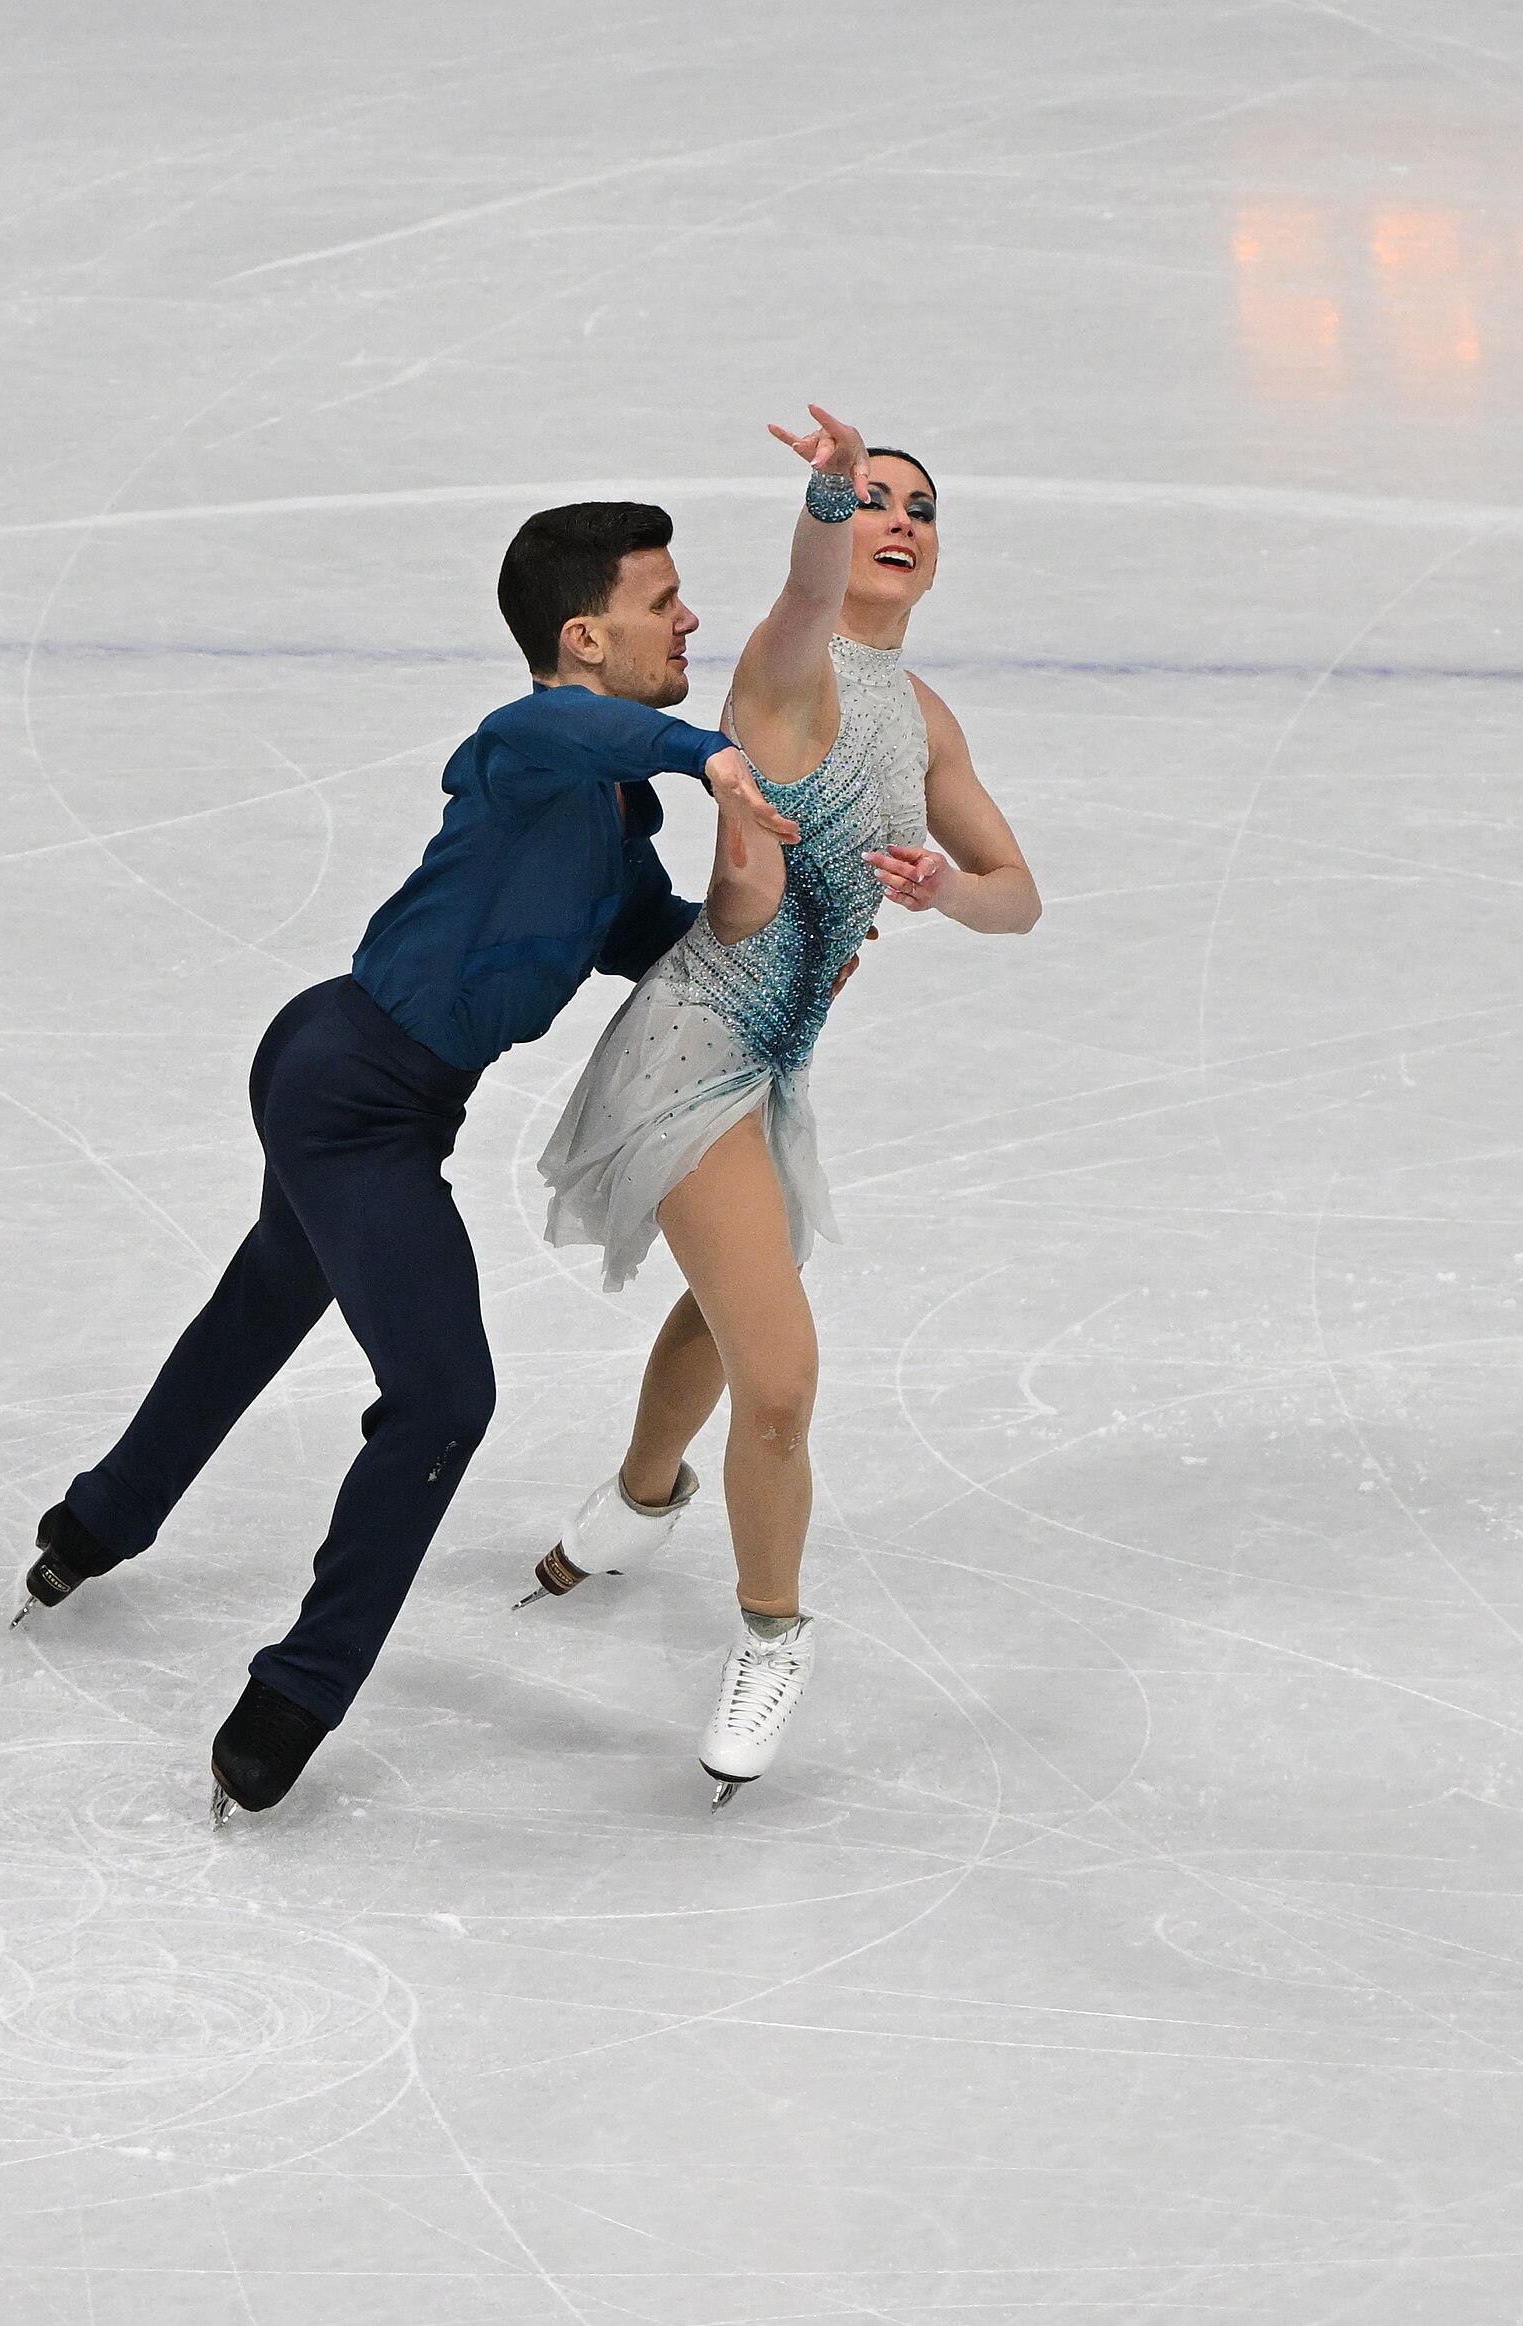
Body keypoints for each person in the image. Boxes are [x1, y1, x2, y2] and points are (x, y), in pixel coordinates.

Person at [15, 500, 800, 1826]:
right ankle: (294, 1698)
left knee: (269, 1295)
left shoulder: (609, 809)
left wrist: (786, 915)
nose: (691, 620)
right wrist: (713, 754)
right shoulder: (528, 743)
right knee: (442, 1398)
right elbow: (569, 730)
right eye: (664, 603)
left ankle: (92, 1524)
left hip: (366, 1085)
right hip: (349, 1096)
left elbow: (644, 931)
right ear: (584, 636)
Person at [532, 408, 1042, 1807]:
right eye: (875, 498)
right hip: (694, 1043)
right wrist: (822, 492)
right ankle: (773, 1632)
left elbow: (1022, 894)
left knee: (718, 1313)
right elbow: (814, 587)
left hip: (776, 1060)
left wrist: (951, 890)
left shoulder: (924, 716)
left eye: (919, 507)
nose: (897, 518)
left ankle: (636, 1504)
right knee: (782, 1374)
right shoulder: (786, 666)